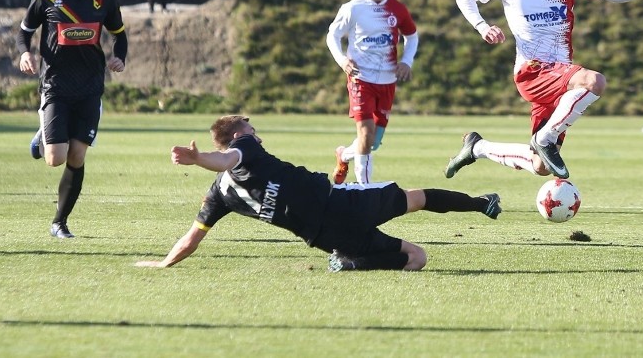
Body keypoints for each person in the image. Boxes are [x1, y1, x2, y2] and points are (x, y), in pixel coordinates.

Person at [445, 0, 643, 181]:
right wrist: (482, 27)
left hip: (560, 77)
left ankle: (477, 147)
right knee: (594, 81)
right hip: (533, 72)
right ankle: (545, 138)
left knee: (540, 166)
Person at [134, 115, 501, 271]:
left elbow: (191, 238)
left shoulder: (218, 197)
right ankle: (481, 203)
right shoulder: (244, 148)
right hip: (342, 205)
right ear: (238, 134)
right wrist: (200, 159)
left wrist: (165, 262)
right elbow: (224, 158)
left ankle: (349, 262)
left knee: (417, 258)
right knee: (417, 198)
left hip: (325, 237)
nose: (256, 132)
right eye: (250, 127)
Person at [17, 0, 128, 239]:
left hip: (91, 88)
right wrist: (25, 53)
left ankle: (59, 222)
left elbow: (120, 35)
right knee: (54, 158)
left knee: (76, 156)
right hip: (55, 86)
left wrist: (120, 58)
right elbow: (24, 33)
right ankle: (44, 133)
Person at [326, 0, 419, 184]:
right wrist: (342, 60)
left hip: (387, 80)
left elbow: (412, 36)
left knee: (371, 142)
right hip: (361, 78)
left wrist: (407, 61)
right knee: (366, 134)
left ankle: (343, 155)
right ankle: (365, 192)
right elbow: (333, 35)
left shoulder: (397, 9)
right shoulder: (354, 7)